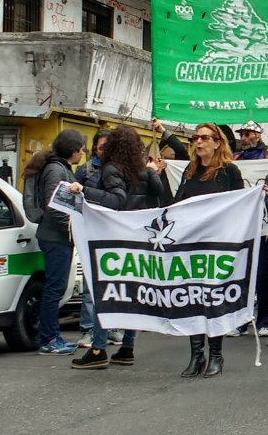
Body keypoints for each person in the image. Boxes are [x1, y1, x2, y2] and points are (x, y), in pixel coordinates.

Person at [69, 125, 170, 370]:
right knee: (134, 292)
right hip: (140, 238)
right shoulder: (143, 170)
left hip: (114, 238)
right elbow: (163, 197)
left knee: (107, 292)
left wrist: (86, 191)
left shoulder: (112, 169)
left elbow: (117, 200)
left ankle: (98, 349)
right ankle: (127, 348)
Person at [166, 122, 244, 378]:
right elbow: (177, 204)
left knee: (212, 300)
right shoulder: (190, 171)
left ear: (217, 142)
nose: (198, 142)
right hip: (190, 247)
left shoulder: (228, 172)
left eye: (204, 138)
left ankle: (216, 355)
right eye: (195, 138)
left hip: (216, 247)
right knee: (191, 299)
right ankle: (196, 354)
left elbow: (239, 206)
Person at [25, 129, 87, 355]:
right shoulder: (56, 170)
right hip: (56, 237)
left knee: (55, 287)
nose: (82, 154)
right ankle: (49, 339)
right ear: (73, 151)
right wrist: (74, 226)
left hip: (56, 236)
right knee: (54, 289)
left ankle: (53, 337)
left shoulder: (57, 167)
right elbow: (55, 205)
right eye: (81, 149)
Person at [72, 129, 113, 349]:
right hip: (90, 232)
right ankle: (88, 330)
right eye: (101, 146)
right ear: (95, 147)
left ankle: (113, 327)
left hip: (113, 232)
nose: (104, 150)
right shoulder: (84, 171)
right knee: (90, 284)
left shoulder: (120, 170)